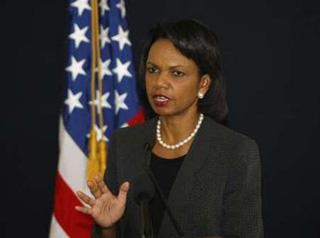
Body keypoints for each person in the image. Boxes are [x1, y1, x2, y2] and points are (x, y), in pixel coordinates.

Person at [75, 19, 264, 238]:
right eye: (153, 70)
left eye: (176, 73)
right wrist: (108, 227)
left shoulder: (236, 151)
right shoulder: (126, 143)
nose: (159, 83)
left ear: (203, 84)